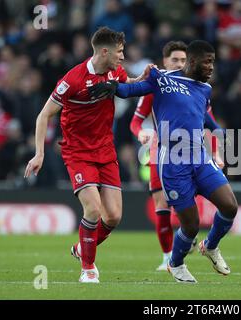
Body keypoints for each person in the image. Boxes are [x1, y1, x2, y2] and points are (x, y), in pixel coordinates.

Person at [89, 40, 238, 283]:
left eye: (213, 62)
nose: (211, 67)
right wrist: (112, 86)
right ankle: (175, 264)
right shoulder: (162, 78)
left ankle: (210, 246)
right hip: (173, 161)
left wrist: (221, 136)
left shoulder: (205, 89)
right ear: (192, 61)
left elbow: (204, 120)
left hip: (199, 157)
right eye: (208, 61)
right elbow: (131, 91)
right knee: (190, 225)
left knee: (230, 206)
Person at [24, 27, 151, 283]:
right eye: (119, 52)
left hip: (105, 149)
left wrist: (142, 78)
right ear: (104, 51)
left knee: (113, 216)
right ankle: (88, 268)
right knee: (93, 209)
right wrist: (39, 154)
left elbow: (128, 85)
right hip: (78, 152)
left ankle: (82, 248)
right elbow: (44, 115)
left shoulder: (115, 71)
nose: (122, 57)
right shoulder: (73, 79)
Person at [129, 40, 222, 271]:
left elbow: (207, 124)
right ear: (164, 62)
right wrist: (140, 133)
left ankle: (188, 241)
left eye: (183, 60)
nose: (180, 64)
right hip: (160, 151)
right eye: (175, 60)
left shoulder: (196, 88)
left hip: (192, 154)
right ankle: (167, 256)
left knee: (191, 205)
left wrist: (217, 153)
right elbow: (135, 121)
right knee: (161, 203)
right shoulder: (158, 84)